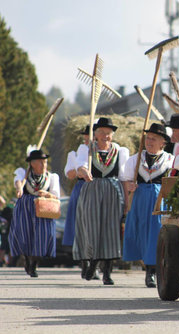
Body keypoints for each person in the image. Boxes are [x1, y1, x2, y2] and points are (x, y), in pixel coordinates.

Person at [73, 117, 129, 285]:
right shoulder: (87, 149)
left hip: (113, 191)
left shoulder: (120, 151)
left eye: (108, 133)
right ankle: (92, 263)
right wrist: (84, 170)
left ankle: (107, 273)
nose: (105, 136)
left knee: (111, 231)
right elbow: (80, 167)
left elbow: (124, 178)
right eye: (102, 132)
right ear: (95, 134)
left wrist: (127, 204)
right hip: (92, 190)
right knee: (92, 228)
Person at [122, 123, 174, 288]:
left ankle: (155, 269)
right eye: (148, 138)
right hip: (141, 199)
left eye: (154, 139)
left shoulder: (170, 160)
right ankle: (148, 270)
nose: (149, 141)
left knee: (157, 233)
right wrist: (130, 186)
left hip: (161, 199)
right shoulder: (136, 159)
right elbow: (127, 180)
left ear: (162, 143)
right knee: (142, 232)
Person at [8, 149, 60, 277]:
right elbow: (18, 181)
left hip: (42, 209)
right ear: (32, 164)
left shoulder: (51, 177)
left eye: (45, 162)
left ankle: (34, 264)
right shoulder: (23, 174)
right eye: (40, 162)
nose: (44, 165)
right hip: (25, 208)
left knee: (43, 236)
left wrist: (47, 194)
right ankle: (26, 259)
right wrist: (19, 188)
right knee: (25, 235)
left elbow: (56, 196)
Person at [63, 125, 99, 279]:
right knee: (82, 229)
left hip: (99, 189)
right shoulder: (77, 152)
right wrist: (81, 166)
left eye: (90, 136)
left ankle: (95, 264)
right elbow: (70, 173)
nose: (88, 139)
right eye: (86, 137)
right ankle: (85, 262)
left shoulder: (106, 151)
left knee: (97, 229)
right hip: (82, 189)